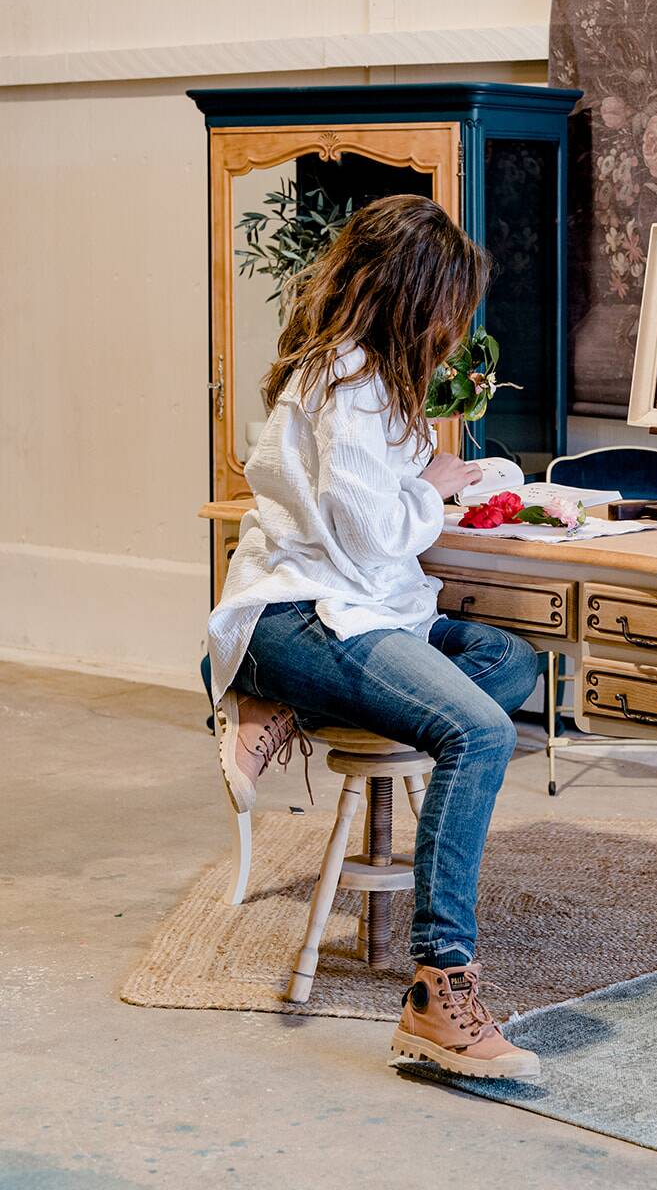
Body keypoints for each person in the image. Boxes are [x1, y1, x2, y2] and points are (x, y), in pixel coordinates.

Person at [207, 195, 540, 1080]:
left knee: (511, 659)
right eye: (448, 305)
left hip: (360, 608)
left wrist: (428, 476)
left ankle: (282, 696)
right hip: (305, 612)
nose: (453, 324)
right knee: (477, 730)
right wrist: (433, 482)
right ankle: (440, 992)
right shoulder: (350, 387)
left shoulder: (363, 378)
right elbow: (368, 534)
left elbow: (380, 520)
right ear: (410, 296)